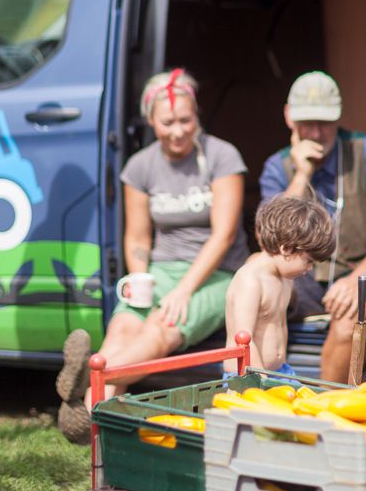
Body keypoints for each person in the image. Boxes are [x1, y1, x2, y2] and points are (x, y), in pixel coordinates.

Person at [55, 69, 248, 444]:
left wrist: (183, 291)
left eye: (185, 120)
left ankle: (89, 383)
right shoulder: (141, 166)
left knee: (160, 329)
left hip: (217, 272)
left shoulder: (223, 156)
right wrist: (140, 277)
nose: (178, 131)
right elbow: (138, 237)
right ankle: (90, 425)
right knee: (123, 328)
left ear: (197, 116)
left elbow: (224, 235)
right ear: (150, 121)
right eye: (167, 123)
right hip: (162, 269)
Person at [257, 71, 366, 383]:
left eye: (324, 122)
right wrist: (302, 174)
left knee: (351, 320)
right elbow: (270, 239)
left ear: (338, 118)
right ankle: (264, 390)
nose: (316, 133)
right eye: (306, 123)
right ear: (289, 117)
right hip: (300, 277)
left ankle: (326, 402)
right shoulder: (278, 166)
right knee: (257, 280)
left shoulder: (365, 151)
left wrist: (359, 278)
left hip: (356, 271)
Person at [225, 194, 336, 374]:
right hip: (247, 376)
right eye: (308, 261)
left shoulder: (286, 279)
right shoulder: (251, 281)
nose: (309, 269)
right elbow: (243, 340)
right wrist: (261, 379)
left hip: (279, 371)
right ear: (286, 248)